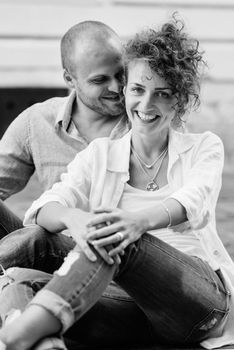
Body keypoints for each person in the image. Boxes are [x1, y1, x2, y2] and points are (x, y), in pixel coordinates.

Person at [1, 18, 234, 350]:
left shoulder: (203, 146)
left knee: (118, 233)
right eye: (138, 89)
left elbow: (193, 199)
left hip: (196, 303)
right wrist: (73, 218)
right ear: (127, 92)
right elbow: (46, 206)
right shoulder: (100, 154)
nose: (146, 104)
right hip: (126, 304)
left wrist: (136, 222)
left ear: (178, 101)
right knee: (24, 277)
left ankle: (18, 333)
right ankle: (42, 341)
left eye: (162, 94)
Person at [0, 20, 128, 239]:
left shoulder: (145, 119)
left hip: (128, 250)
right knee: (33, 240)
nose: (117, 88)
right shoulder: (37, 121)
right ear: (69, 79)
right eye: (100, 80)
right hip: (52, 248)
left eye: (120, 74)